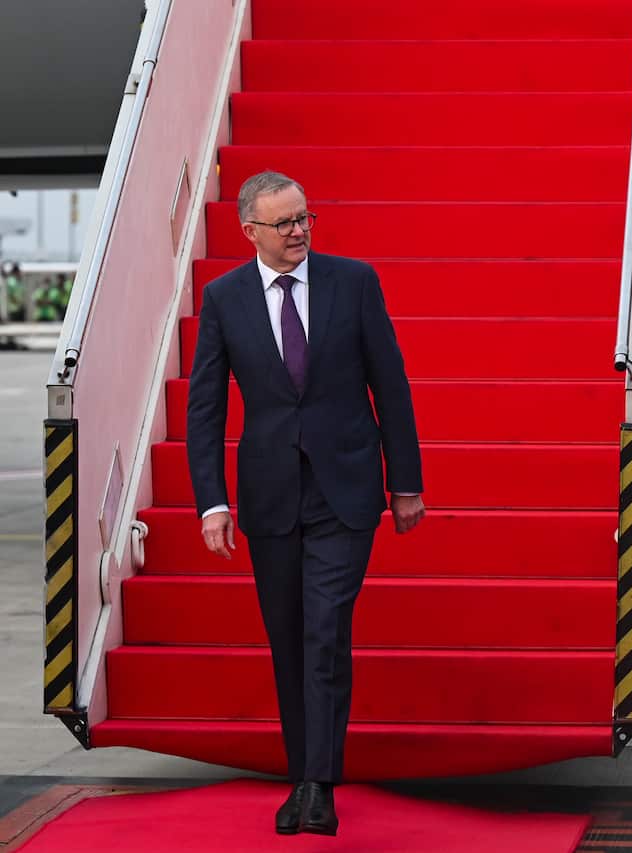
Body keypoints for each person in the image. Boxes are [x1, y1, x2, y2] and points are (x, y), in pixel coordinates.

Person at [186, 171, 425, 836]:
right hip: (269, 497)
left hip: (344, 490)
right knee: (288, 638)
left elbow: (390, 384)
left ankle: (318, 786)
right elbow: (204, 409)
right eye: (284, 222)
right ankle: (304, 774)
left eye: (304, 218)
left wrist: (405, 481)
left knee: (324, 630)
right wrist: (211, 502)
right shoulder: (224, 298)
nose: (299, 231)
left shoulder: (354, 282)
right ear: (249, 231)